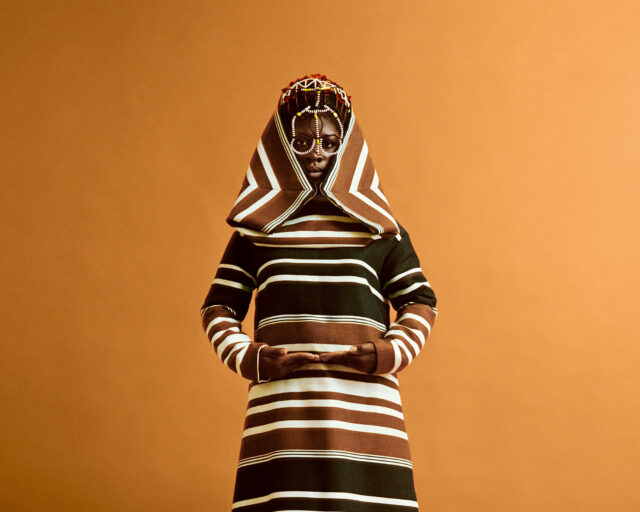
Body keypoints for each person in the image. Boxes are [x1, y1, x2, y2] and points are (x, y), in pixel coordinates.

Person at [200, 73, 438, 512]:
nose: (316, 154)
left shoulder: (380, 229)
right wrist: (252, 359)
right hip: (283, 414)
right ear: (281, 145)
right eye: (302, 142)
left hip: (367, 416)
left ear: (346, 147)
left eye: (329, 143)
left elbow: (420, 301)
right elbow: (218, 307)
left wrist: (387, 354)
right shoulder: (256, 231)